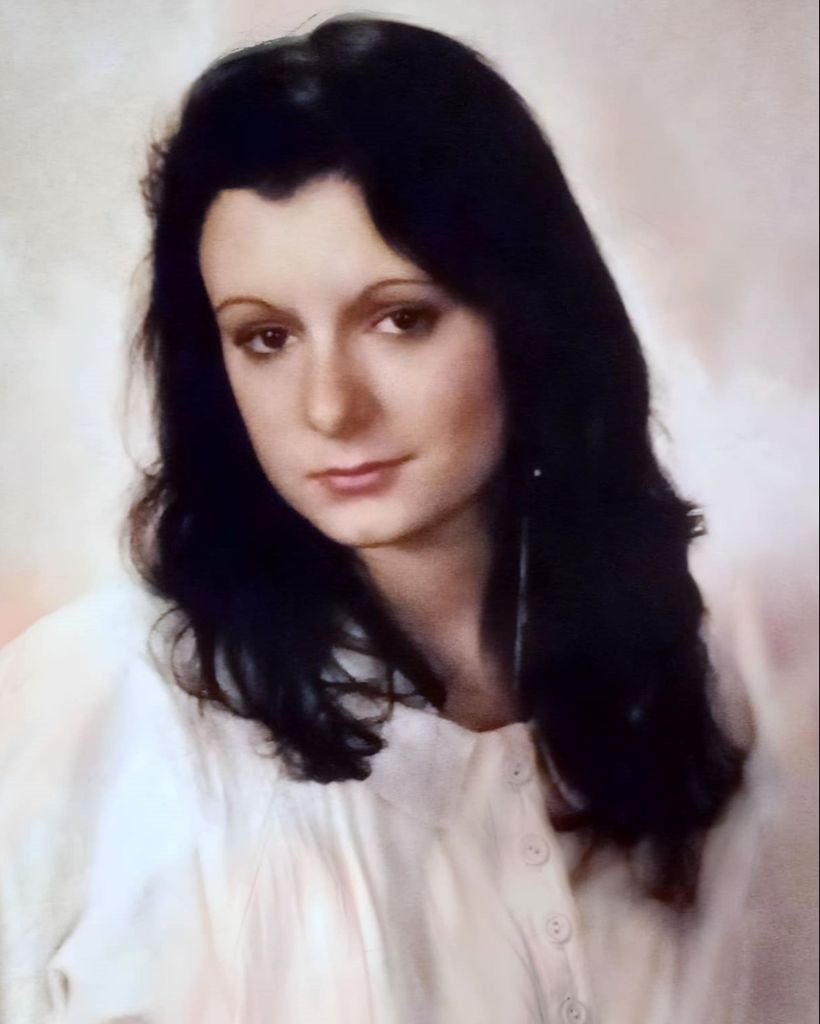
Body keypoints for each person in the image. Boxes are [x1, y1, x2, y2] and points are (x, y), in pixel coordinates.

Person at [0, 15, 764, 1024]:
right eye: (266, 337)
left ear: (530, 319)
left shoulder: (698, 686)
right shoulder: (90, 705)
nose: (329, 407)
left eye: (399, 319)